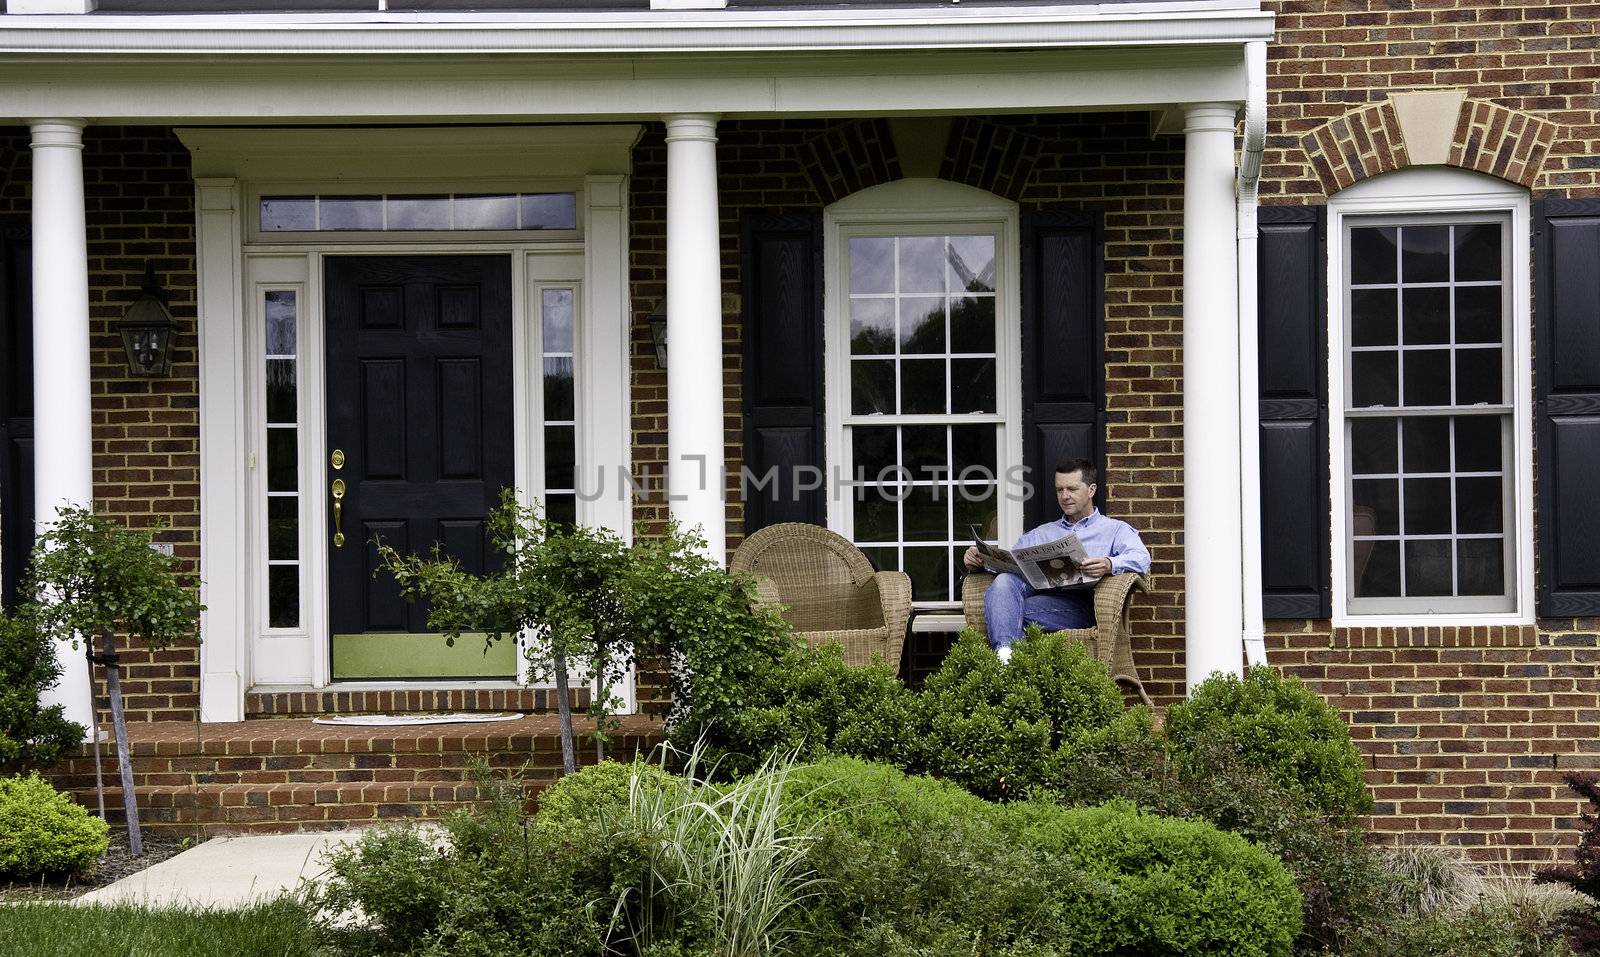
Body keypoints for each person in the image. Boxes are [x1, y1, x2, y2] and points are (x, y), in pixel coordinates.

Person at [962, 459, 1149, 661]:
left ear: (1091, 490)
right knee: (1004, 582)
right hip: (1039, 600)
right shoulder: (1042, 533)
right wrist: (980, 562)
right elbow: (1010, 564)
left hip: (1082, 607)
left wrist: (1109, 564)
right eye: (1059, 490)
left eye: (1072, 489)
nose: (1065, 496)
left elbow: (1141, 559)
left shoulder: (1114, 530)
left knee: (1006, 615)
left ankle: (1007, 665)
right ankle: (1005, 660)